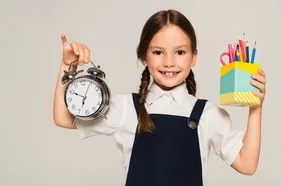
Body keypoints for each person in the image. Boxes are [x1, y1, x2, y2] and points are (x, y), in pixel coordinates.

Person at [53, 9, 267, 186]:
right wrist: (67, 66)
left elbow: (247, 165)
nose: (169, 62)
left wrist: (255, 108)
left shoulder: (208, 115)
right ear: (143, 56)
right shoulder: (126, 108)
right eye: (158, 52)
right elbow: (64, 119)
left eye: (180, 52)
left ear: (194, 57)